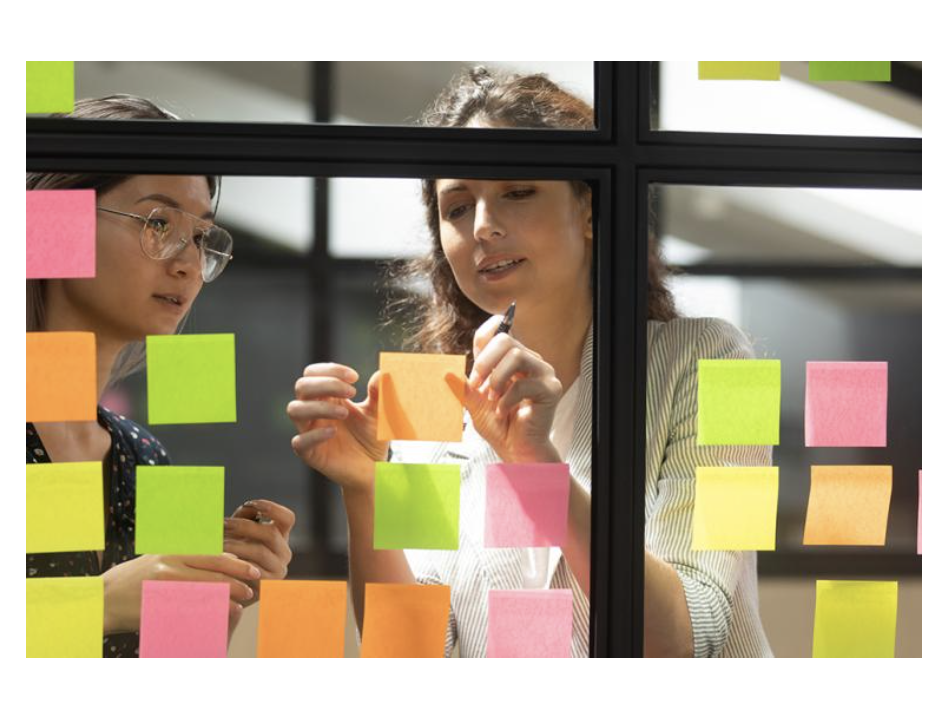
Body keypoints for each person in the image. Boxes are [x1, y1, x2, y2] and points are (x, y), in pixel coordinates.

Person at [287, 67, 772, 657]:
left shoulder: (721, 364)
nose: (484, 225)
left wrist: (535, 462)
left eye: (517, 191)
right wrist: (365, 491)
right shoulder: (429, 399)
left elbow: (687, 637)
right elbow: (409, 660)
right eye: (458, 206)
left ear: (589, 206)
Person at [27, 95, 296, 657]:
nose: (188, 264)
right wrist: (100, 602)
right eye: (158, 222)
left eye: (201, 238)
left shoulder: (144, 456)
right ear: (51, 220)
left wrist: (221, 584)